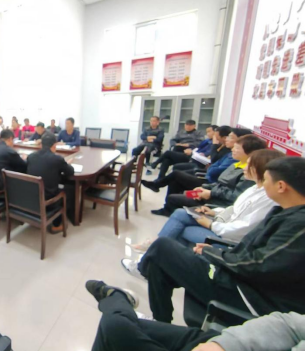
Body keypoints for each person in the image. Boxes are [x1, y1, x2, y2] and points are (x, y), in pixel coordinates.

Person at [136, 156, 305, 324]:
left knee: (162, 247)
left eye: (266, 180)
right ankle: (160, 323)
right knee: (162, 258)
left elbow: (258, 264)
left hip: (250, 295)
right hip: (240, 276)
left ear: (281, 186)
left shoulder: (298, 224)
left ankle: (148, 284)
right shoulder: (283, 212)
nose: (263, 184)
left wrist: (212, 253)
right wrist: (216, 253)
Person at [125, 149, 284, 261]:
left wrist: (211, 224)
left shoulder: (268, 198)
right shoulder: (255, 188)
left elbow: (242, 229)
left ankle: (151, 257)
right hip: (222, 221)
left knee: (180, 229)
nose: (245, 167)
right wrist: (214, 212)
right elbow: (235, 209)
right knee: (180, 214)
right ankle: (155, 259)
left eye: (249, 164)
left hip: (229, 239)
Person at [85, 280, 305, 351]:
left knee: (114, 326)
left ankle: (116, 298)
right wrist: (230, 345)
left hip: (244, 288)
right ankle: (119, 299)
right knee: (117, 327)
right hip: (221, 347)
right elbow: (290, 325)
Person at [149, 134, 266, 216]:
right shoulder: (236, 164)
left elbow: (235, 195)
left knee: (174, 195)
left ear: (249, 152)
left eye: (237, 148)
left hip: (215, 200)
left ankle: (172, 211)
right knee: (181, 189)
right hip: (210, 191)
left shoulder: (249, 173)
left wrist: (209, 193)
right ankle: (168, 209)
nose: (233, 150)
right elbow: (218, 179)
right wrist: (204, 188)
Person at [142, 130, 241, 196]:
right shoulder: (221, 148)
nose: (211, 134)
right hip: (199, 163)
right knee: (169, 161)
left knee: (174, 169)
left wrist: (213, 146)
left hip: (207, 179)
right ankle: (160, 187)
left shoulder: (229, 154)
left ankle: (156, 179)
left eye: (230, 137)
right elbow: (203, 151)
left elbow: (213, 165)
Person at [27, 133, 74, 233]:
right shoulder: (57, 159)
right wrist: (67, 164)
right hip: (47, 200)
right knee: (69, 189)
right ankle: (56, 225)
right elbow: (70, 172)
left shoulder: (30, 157)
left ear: (41, 144)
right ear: (54, 145)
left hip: (31, 198)